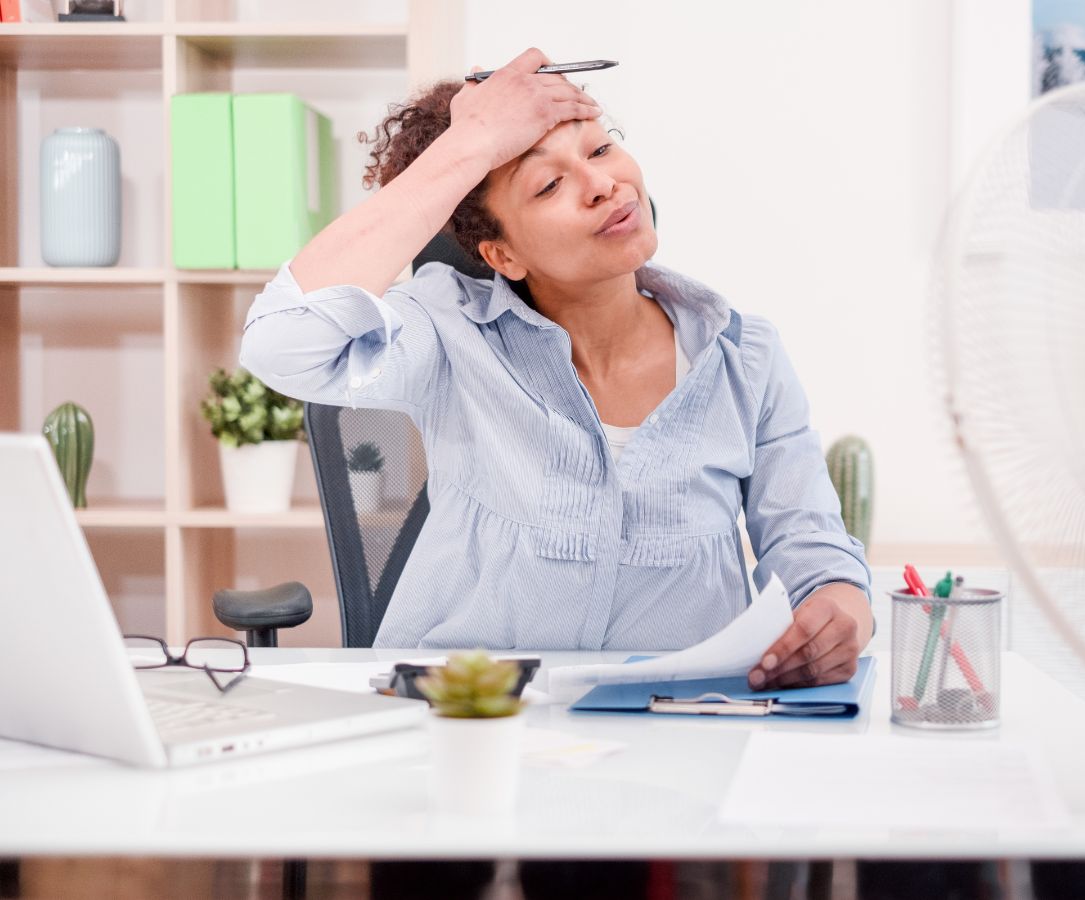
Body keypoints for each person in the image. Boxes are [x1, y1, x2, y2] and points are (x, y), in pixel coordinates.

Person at [239, 47, 873, 693]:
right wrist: (472, 146)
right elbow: (283, 343)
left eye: (600, 151)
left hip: (678, 723)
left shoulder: (745, 357)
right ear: (502, 254)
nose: (604, 186)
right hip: (472, 715)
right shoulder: (450, 332)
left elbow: (809, 541)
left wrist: (839, 605)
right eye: (548, 185)